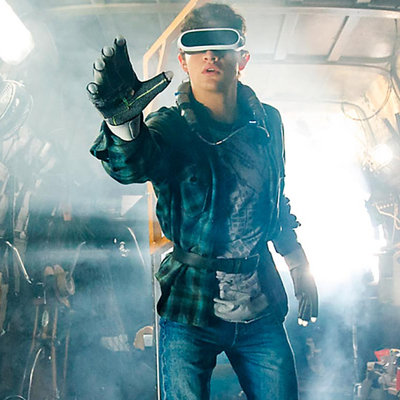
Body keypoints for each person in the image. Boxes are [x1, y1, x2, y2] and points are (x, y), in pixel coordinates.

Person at [87, 3, 318, 400]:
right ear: (183, 61)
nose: (210, 54)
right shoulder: (168, 125)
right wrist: (121, 124)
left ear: (242, 59)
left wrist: (296, 260)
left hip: (260, 302)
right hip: (190, 305)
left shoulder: (269, 122)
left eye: (222, 43)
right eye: (198, 46)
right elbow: (133, 165)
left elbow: (275, 197)